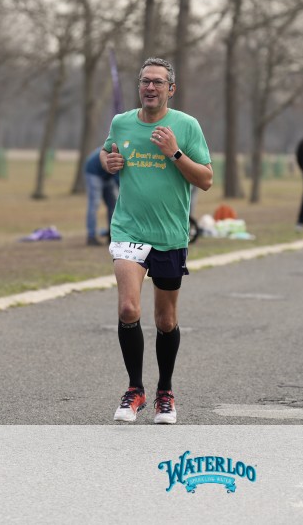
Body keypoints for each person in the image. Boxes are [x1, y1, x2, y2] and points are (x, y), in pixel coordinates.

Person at [101, 57, 212, 425]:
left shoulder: (186, 126)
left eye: (158, 82)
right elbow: (107, 149)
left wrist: (174, 153)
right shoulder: (122, 122)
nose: (150, 87)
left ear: (171, 89)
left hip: (169, 235)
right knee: (128, 309)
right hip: (128, 230)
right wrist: (108, 162)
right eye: (145, 81)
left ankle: (165, 391)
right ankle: (135, 389)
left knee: (165, 320)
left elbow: (206, 180)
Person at [84, 149, 118, 246]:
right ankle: (91, 237)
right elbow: (119, 180)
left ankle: (111, 235)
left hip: (108, 175)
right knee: (94, 204)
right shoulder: (119, 150)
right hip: (94, 172)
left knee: (113, 205)